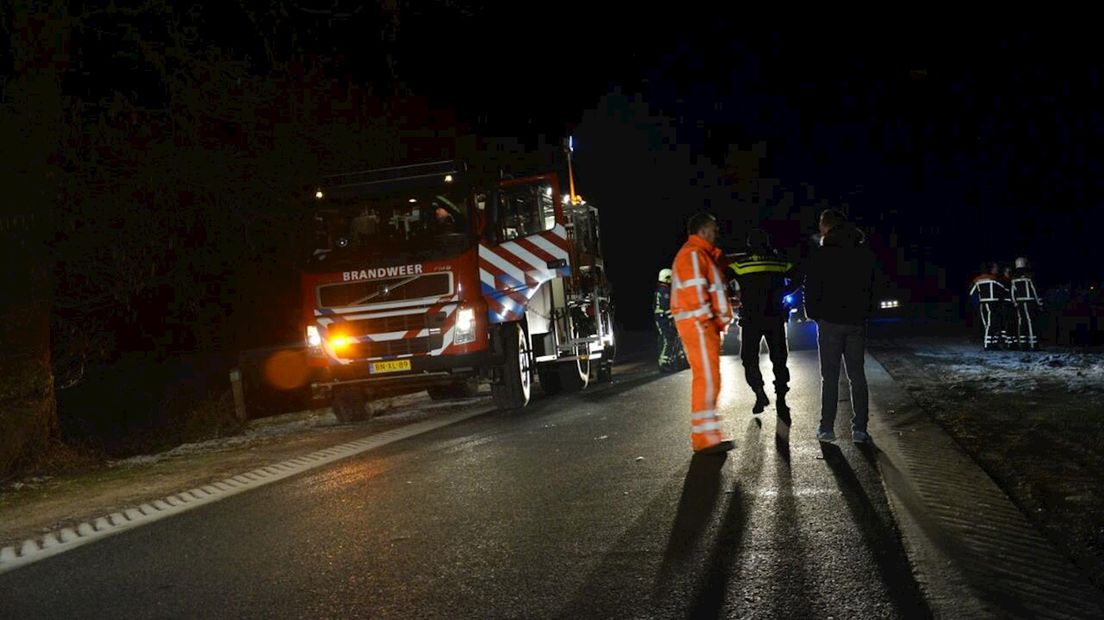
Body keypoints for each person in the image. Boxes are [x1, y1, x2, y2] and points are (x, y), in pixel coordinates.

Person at [804, 209, 876, 444]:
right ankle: (860, 430)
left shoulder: (822, 254)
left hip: (830, 322)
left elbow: (811, 286)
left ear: (826, 226)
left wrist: (814, 315)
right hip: (856, 322)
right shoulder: (863, 252)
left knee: (830, 376)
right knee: (857, 375)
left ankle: (827, 428)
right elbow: (873, 286)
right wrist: (866, 313)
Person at [670, 212, 735, 454]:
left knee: (708, 379)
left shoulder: (700, 255)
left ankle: (707, 437)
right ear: (704, 230)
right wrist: (711, 321)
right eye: (714, 228)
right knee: (706, 379)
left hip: (703, 325)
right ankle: (705, 440)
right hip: (701, 325)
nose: (717, 232)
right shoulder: (694, 255)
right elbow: (697, 295)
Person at [728, 229, 798, 429]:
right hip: (775, 317)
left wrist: (735, 293)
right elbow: (799, 275)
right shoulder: (778, 262)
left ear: (749, 244)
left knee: (749, 358)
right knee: (779, 358)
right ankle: (781, 397)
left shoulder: (740, 265)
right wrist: (784, 292)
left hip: (751, 320)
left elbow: (722, 279)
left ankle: (759, 392)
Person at [969, 262, 1008, 351]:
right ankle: (988, 345)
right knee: (991, 324)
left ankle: (992, 344)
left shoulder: (977, 280)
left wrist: (977, 304)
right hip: (993, 304)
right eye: (995, 268)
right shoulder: (994, 280)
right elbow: (1004, 290)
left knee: (989, 324)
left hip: (983, 304)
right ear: (991, 269)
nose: (996, 270)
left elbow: (972, 293)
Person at [654, 268, 686, 372]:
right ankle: (664, 363)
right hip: (663, 319)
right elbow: (667, 308)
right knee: (667, 340)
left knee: (670, 339)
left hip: (662, 318)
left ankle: (670, 361)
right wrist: (673, 320)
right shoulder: (664, 290)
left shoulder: (661, 289)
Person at [1010, 256, 1043, 351]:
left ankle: (1023, 344)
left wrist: (1015, 302)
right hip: (1030, 302)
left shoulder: (1014, 277)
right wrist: (1039, 303)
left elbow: (1013, 292)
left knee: (1022, 322)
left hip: (1020, 302)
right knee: (1030, 322)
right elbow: (1034, 290)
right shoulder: (1030, 276)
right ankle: (1033, 345)